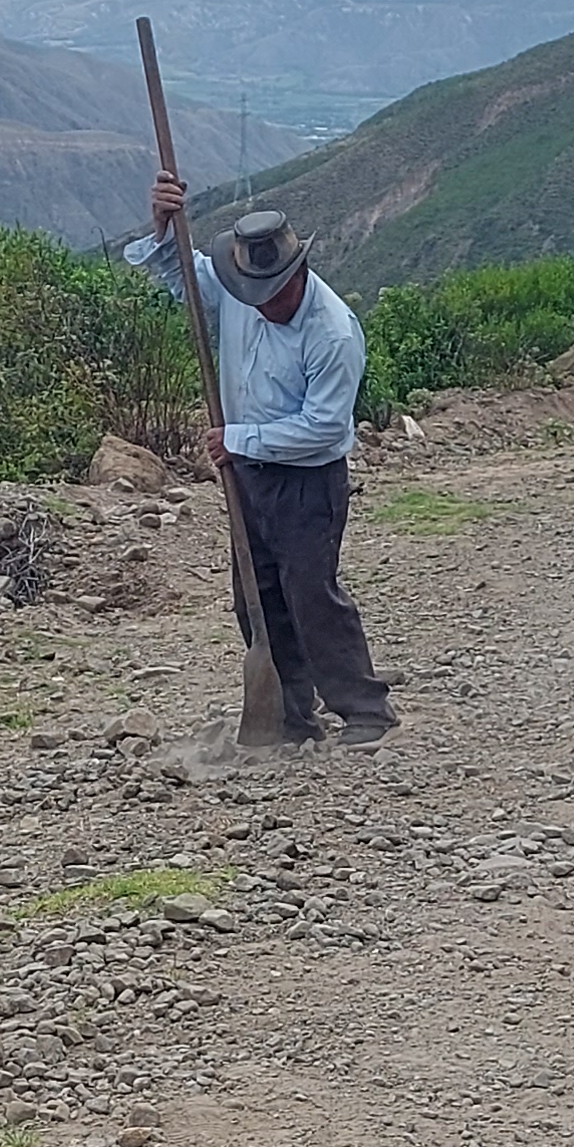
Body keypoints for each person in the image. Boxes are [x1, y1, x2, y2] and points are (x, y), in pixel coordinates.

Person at [133, 176, 395, 740]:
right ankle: (291, 715)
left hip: (307, 481)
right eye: (254, 295)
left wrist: (239, 440)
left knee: (310, 593)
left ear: (299, 273)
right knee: (256, 595)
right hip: (247, 475)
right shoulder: (241, 288)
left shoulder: (332, 333)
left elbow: (324, 428)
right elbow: (184, 277)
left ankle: (365, 709)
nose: (261, 305)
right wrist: (164, 226)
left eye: (273, 295)